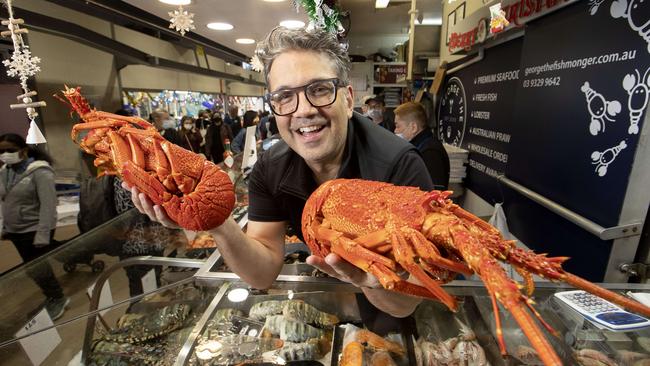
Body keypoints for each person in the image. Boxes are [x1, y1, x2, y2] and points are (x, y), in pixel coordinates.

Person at [125, 26, 435, 317]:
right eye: (284, 96)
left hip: (383, 304)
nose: (303, 110)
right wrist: (218, 224)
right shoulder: (271, 168)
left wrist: (373, 281)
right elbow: (262, 273)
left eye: (320, 89)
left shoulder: (399, 165)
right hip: (320, 295)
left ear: (349, 99)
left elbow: (406, 305)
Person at [0, 134, 70, 320]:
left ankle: (58, 297)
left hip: (34, 228)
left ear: (23, 151)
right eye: (1, 151)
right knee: (33, 267)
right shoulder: (5, 171)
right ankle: (51, 295)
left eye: (10, 150)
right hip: (16, 230)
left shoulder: (40, 172)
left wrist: (43, 234)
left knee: (37, 268)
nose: (5, 154)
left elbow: (48, 206)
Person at [394, 102, 450, 190]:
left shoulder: (430, 151)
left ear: (413, 127)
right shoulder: (417, 146)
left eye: (398, 126)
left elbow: (435, 192)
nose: (395, 131)